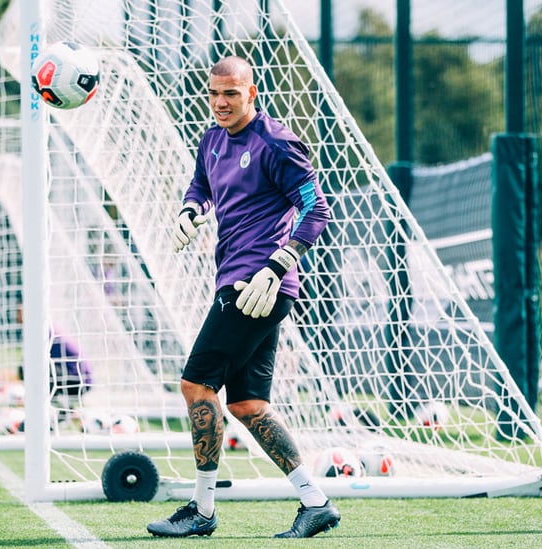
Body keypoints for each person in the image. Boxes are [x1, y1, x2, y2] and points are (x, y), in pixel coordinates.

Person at [146, 56, 336, 539]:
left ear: (252, 93)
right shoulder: (210, 139)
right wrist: (192, 208)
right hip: (237, 282)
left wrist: (278, 266)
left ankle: (202, 510)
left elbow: (317, 210)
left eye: (230, 93)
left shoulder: (277, 143)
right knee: (248, 404)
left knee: (196, 386)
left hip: (258, 286)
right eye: (213, 93)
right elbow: (202, 185)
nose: (220, 102)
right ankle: (316, 503)